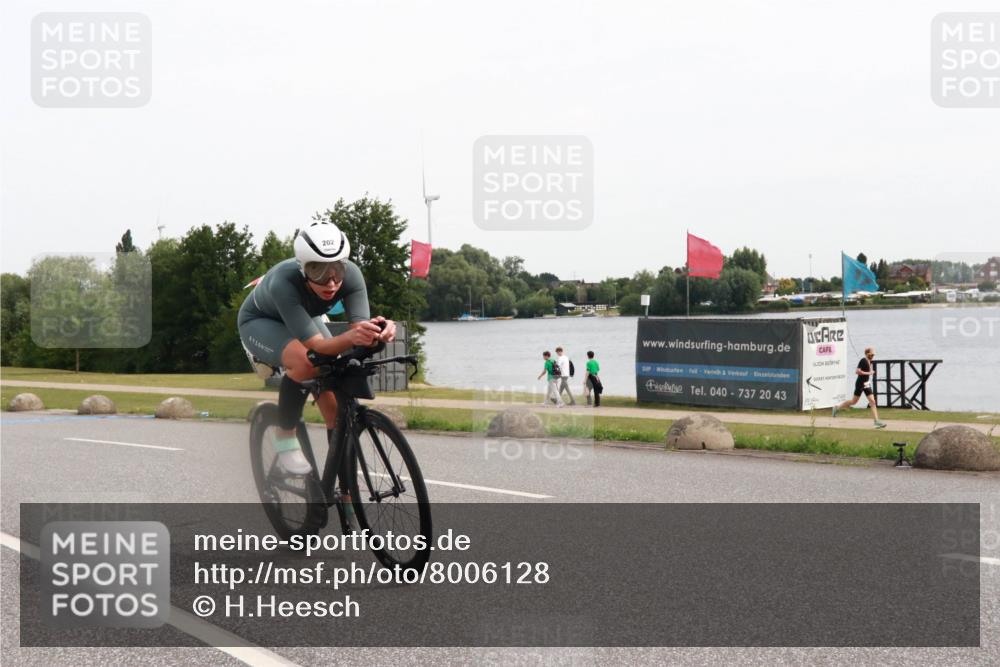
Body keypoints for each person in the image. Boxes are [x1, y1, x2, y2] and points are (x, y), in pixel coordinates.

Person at [238, 220, 395, 476]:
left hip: (303, 316)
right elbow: (319, 348)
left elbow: (359, 330)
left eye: (336, 270)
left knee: (335, 407)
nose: (331, 282)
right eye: (318, 271)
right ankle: (285, 438)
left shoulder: (352, 275)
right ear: (302, 268)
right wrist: (355, 336)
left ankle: (344, 494)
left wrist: (381, 330)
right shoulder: (284, 282)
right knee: (308, 362)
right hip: (261, 321)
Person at [832, 347, 886, 428]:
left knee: (872, 401)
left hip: (866, 384)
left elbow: (866, 372)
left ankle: (876, 421)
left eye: (873, 355)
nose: (872, 356)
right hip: (860, 384)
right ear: (867, 354)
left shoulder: (869, 361)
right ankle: (836, 408)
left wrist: (870, 373)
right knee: (854, 402)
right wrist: (869, 373)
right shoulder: (863, 360)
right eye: (871, 354)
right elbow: (857, 371)